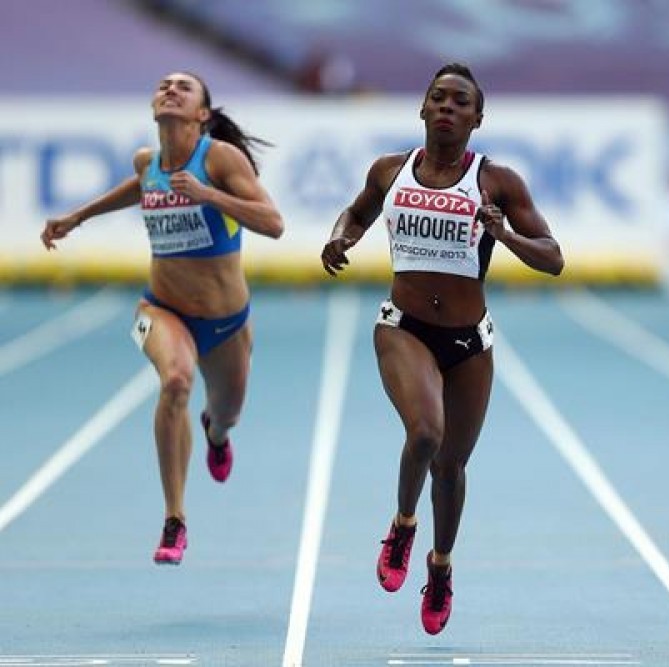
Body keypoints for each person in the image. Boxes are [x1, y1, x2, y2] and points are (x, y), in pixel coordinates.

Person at [320, 62, 563, 634]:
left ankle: (441, 567)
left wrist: (503, 234)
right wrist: (340, 237)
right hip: (403, 328)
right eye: (438, 98)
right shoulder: (389, 171)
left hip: (469, 342)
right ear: (423, 109)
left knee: (451, 467)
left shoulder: (497, 181)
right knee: (426, 434)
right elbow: (357, 212)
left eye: (460, 102)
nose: (447, 107)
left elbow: (553, 258)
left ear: (477, 119)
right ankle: (403, 526)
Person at [40, 72, 284, 565]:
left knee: (228, 413)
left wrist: (208, 195)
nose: (170, 90)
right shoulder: (147, 162)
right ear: (154, 106)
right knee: (175, 382)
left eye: (183, 87)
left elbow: (274, 224)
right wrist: (78, 217)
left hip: (226, 322)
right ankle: (175, 519)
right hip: (160, 308)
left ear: (202, 114)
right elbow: (141, 186)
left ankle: (216, 433)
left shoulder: (219, 160)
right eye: (163, 85)